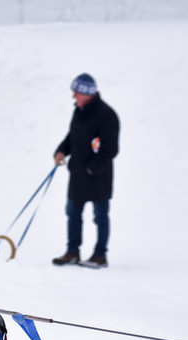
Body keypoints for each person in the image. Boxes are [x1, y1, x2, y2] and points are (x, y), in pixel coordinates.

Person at [52, 73, 120, 268]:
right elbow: (72, 136)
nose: (73, 96)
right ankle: (72, 252)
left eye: (76, 92)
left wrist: (92, 168)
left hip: (98, 177)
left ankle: (100, 255)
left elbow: (110, 149)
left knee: (100, 216)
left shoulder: (107, 115)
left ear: (87, 93)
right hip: (77, 175)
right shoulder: (79, 111)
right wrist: (61, 151)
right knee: (73, 214)